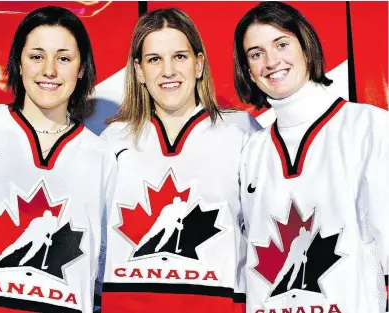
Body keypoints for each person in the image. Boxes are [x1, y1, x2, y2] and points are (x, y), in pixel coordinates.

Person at [0, 6, 116, 313]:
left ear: (81, 68)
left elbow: (106, 265)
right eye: (36, 56)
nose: (49, 70)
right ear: (18, 63)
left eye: (63, 58)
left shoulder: (102, 156)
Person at [233, 2, 389, 312]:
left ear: (306, 47)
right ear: (248, 71)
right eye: (256, 53)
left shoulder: (369, 126)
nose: (271, 61)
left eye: (281, 44)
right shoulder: (252, 150)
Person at [100, 8, 258, 313]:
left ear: (199, 64)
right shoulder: (112, 140)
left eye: (180, 57)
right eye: (154, 59)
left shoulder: (242, 133)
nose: (168, 71)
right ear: (139, 71)